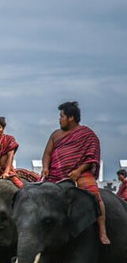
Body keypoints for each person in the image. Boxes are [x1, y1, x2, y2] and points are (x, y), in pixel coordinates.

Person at [41, 101, 108, 244]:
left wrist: (78, 171)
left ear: (71, 118)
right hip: (55, 175)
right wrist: (45, 167)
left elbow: (91, 157)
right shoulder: (56, 134)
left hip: (80, 173)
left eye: (61, 116)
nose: (60, 119)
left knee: (95, 195)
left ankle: (102, 231)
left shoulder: (87, 134)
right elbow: (47, 154)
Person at [0, 116, 23, 188]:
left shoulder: (9, 140)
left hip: (8, 171)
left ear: (3, 128)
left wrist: (6, 172)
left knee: (21, 186)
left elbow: (10, 157)